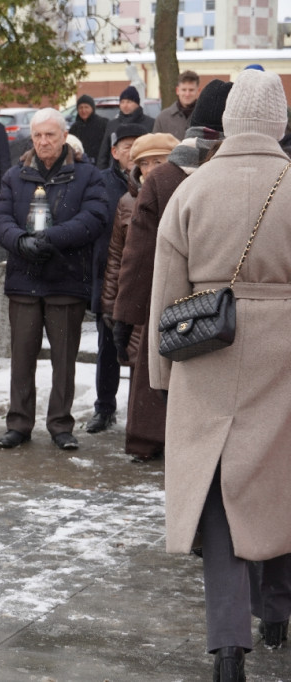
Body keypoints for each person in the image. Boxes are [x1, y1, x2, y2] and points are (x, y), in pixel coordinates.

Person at [147, 68, 291, 680]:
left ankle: (227, 645)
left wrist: (161, 373)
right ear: (281, 121)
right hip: (285, 355)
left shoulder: (191, 189)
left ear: (228, 121)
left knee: (219, 502)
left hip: (208, 350)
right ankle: (279, 613)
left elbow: (165, 293)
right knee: (281, 486)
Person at [112, 79, 233, 462]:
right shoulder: (241, 174)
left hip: (166, 300)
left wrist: (126, 316)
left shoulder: (164, 177)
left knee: (157, 372)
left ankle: (148, 442)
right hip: (226, 304)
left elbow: (140, 253)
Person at [0, 108, 108, 451]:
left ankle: (60, 425)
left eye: (50, 135)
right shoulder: (16, 175)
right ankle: (19, 423)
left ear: (64, 135)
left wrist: (52, 237)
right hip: (24, 281)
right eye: (38, 135)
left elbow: (96, 217)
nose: (43, 141)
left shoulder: (87, 175)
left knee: (64, 361)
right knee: (21, 359)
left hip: (65, 281)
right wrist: (19, 241)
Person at [100, 132, 178, 462]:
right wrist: (112, 304)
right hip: (138, 298)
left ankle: (170, 438)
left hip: (172, 295)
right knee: (141, 373)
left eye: (157, 162)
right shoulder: (127, 202)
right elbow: (119, 257)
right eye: (143, 162)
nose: (149, 169)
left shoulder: (182, 194)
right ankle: (146, 439)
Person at [87, 123, 147, 435]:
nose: (132, 152)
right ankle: (104, 408)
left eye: (138, 145)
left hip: (144, 280)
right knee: (107, 347)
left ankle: (140, 415)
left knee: (142, 352)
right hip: (109, 278)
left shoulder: (155, 181)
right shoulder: (101, 183)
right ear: (114, 152)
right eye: (126, 147)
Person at [97, 86, 156, 169]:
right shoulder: (112, 124)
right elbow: (104, 153)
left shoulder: (150, 123)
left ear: (137, 103)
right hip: (116, 172)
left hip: (143, 170)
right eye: (122, 102)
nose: (125, 105)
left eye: (129, 102)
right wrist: (102, 173)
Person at [153, 71, 199, 139]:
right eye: (184, 90)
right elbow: (155, 145)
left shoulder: (206, 117)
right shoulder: (163, 118)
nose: (187, 94)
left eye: (191, 90)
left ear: (198, 91)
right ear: (177, 90)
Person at [69, 94, 108, 167]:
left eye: (86, 107)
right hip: (81, 166)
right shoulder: (74, 128)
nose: (83, 110)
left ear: (92, 108)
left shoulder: (103, 124)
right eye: (80, 107)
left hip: (99, 165)